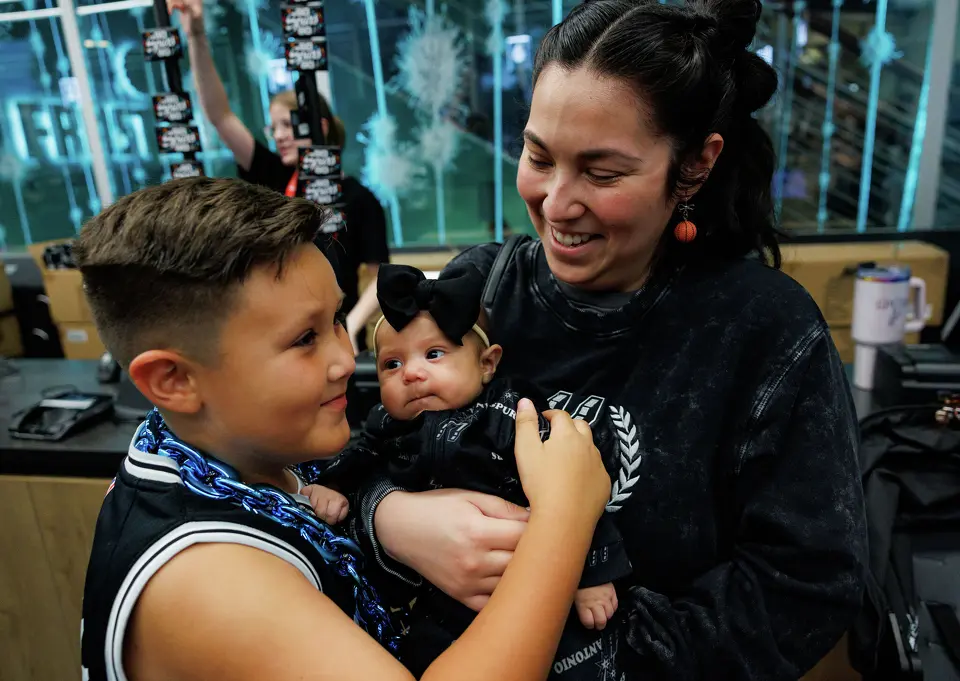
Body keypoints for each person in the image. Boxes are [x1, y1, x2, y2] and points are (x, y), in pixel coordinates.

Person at [353, 0, 869, 679]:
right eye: (539, 156)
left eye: (602, 173)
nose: (558, 203)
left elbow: (807, 584)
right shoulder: (475, 291)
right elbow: (353, 447)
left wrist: (585, 653)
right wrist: (388, 520)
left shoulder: (763, 330)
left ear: (694, 166)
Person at [75, 177, 611, 681]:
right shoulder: (204, 580)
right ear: (174, 380)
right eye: (304, 339)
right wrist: (565, 514)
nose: (342, 358)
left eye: (337, 320)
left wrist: (385, 515)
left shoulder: (238, 445)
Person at [304, 263, 631, 676]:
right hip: (435, 601)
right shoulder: (385, 428)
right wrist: (333, 484)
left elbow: (575, 489)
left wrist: (594, 572)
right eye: (391, 365)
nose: (413, 373)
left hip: (534, 577)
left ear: (487, 364)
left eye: (434, 354)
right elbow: (361, 463)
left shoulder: (511, 417)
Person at [168, 0, 387, 353]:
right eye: (275, 127)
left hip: (333, 335)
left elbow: (378, 277)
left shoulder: (360, 198)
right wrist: (195, 34)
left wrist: (350, 325)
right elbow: (220, 115)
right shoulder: (272, 175)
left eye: (289, 125)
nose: (280, 135)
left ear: (319, 126)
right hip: (275, 334)